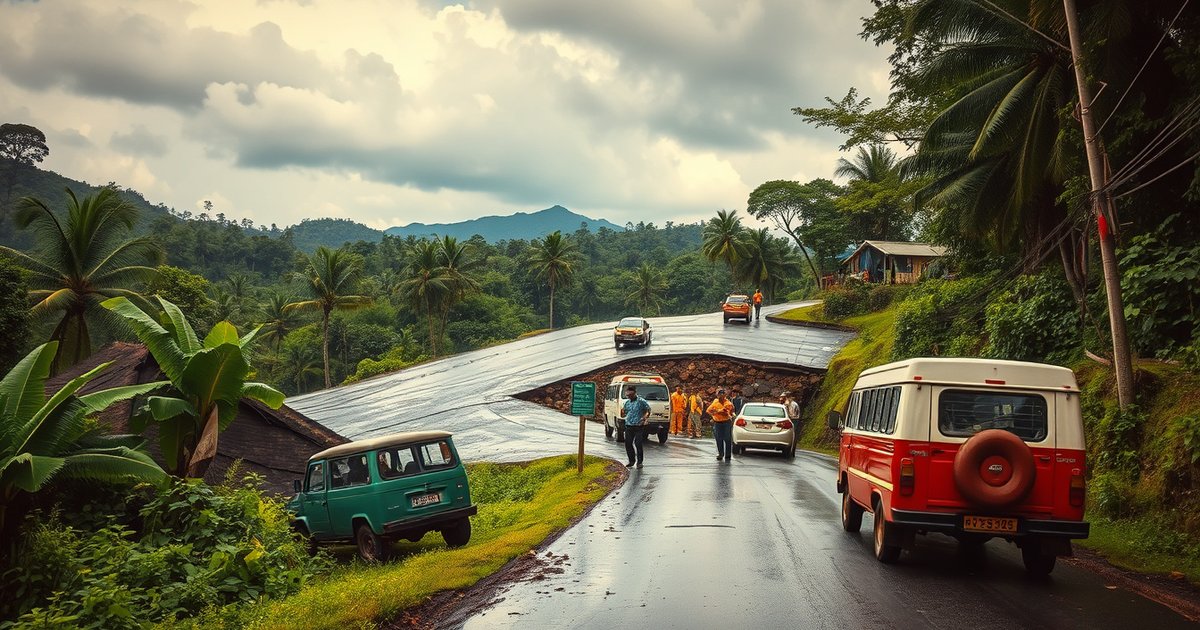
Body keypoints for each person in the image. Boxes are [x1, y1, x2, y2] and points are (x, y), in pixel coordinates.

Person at [622, 385, 651, 469]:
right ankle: (631, 461)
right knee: (628, 443)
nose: (629, 397)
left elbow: (648, 410)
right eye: (628, 396)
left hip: (638, 426)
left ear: (634, 393)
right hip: (629, 425)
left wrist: (644, 418)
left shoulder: (641, 401)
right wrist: (623, 413)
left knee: (638, 444)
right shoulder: (627, 402)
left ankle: (639, 462)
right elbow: (624, 412)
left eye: (630, 395)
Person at [707, 389, 735, 461]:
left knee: (727, 438)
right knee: (719, 438)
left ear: (725, 395)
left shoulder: (728, 403)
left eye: (722, 394)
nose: (721, 396)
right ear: (717, 395)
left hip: (726, 422)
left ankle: (728, 455)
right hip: (717, 422)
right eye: (719, 394)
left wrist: (717, 411)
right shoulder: (715, 402)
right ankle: (720, 454)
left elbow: (725, 412)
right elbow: (708, 410)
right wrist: (713, 415)